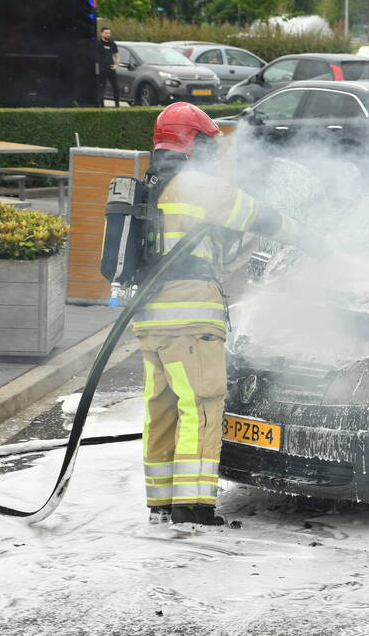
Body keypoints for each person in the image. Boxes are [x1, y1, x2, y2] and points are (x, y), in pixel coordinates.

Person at [136, 102, 318, 529]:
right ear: (194, 143)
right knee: (201, 406)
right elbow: (261, 218)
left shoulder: (148, 186)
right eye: (208, 143)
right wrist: (312, 239)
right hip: (191, 320)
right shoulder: (198, 186)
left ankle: (160, 502)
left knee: (162, 409)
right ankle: (194, 506)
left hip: (149, 319)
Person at [96, 27, 120, 107]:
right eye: (106, 33)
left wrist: (116, 65)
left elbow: (117, 56)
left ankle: (117, 105)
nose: (108, 35)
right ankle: (101, 105)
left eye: (109, 33)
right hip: (102, 69)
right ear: (101, 33)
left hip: (111, 68)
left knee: (115, 87)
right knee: (102, 87)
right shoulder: (98, 44)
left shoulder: (112, 44)